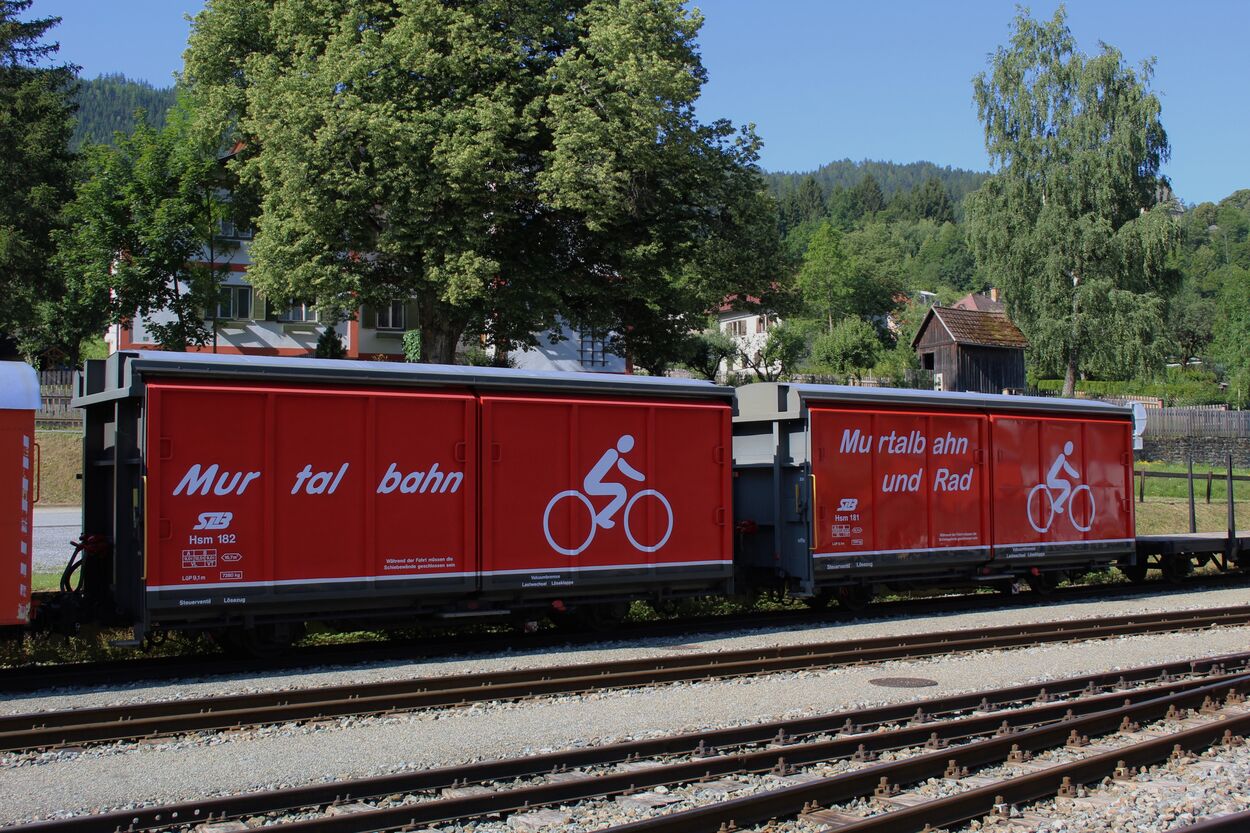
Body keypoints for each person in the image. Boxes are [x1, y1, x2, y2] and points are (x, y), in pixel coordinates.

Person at [583, 434, 645, 528]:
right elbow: (627, 470)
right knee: (621, 492)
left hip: (592, 484)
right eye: (629, 446)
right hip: (592, 485)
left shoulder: (613, 453)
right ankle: (602, 517)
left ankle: (602, 517)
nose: (629, 448)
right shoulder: (614, 454)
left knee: (620, 490)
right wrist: (641, 477)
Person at [1046, 441, 1080, 514]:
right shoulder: (1059, 460)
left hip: (1054, 481)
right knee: (1066, 486)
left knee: (1066, 487)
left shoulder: (1059, 460)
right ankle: (1057, 505)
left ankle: (1058, 506)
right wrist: (1076, 476)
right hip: (1052, 481)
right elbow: (1069, 469)